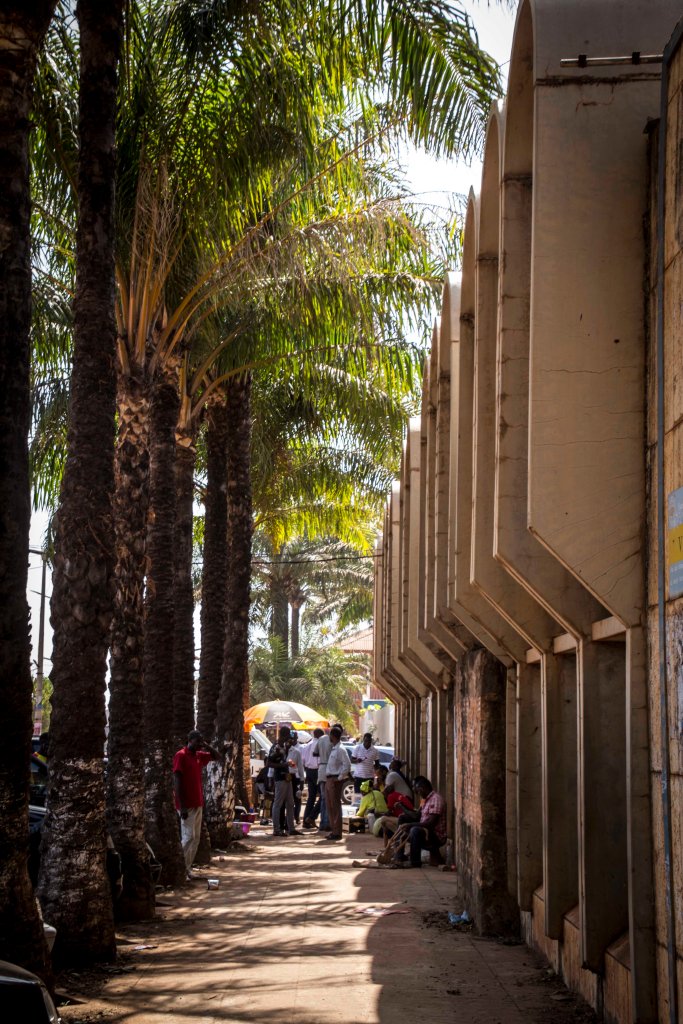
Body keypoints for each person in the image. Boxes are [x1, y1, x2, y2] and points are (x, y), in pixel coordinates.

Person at [173, 729, 219, 879]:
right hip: (187, 804)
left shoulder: (199, 755)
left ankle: (187, 868)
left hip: (198, 802)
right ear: (190, 740)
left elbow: (217, 757)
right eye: (197, 741)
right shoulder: (181, 756)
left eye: (201, 741)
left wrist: (206, 745)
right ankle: (181, 869)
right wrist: (183, 805)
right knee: (188, 837)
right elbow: (177, 781)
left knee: (196, 838)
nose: (199, 744)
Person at [396, 777, 446, 868]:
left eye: (418, 791)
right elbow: (417, 816)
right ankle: (399, 856)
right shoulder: (425, 799)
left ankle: (415, 862)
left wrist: (410, 825)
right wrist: (406, 824)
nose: (418, 794)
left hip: (435, 835)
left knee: (415, 830)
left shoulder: (436, 799)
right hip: (426, 831)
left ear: (422, 789)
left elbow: (431, 824)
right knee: (403, 820)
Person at [266, 726, 301, 837]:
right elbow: (269, 763)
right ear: (284, 735)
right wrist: (284, 765)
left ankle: (291, 828)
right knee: (278, 803)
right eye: (287, 736)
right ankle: (277, 829)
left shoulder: (284, 746)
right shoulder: (276, 747)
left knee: (290, 803)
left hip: (287, 776)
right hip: (280, 777)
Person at [324, 726, 351, 841]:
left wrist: (339, 778)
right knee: (330, 806)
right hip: (329, 779)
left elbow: (347, 765)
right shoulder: (334, 748)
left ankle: (337, 832)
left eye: (330, 734)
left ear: (333, 736)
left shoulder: (340, 749)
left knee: (335, 806)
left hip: (335, 780)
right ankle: (333, 830)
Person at [301, 728, 323, 828]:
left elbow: (303, 761)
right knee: (323, 797)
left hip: (309, 771)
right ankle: (311, 816)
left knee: (311, 797)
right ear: (320, 736)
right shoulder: (319, 745)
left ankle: (306, 821)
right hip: (317, 771)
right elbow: (319, 760)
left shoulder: (307, 746)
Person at [313, 728, 333, 832]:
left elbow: (314, 753)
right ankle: (327, 822)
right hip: (329, 769)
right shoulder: (332, 740)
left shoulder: (320, 740)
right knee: (329, 799)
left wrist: (322, 753)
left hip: (321, 769)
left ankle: (323, 823)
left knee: (323, 798)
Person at [286, 730, 305, 826]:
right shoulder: (284, 749)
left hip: (296, 777)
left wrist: (302, 780)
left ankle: (297, 817)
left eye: (294, 738)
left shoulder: (300, 749)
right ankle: (288, 819)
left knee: (297, 798)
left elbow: (301, 766)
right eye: (290, 738)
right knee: (287, 799)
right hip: (286, 777)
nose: (292, 740)